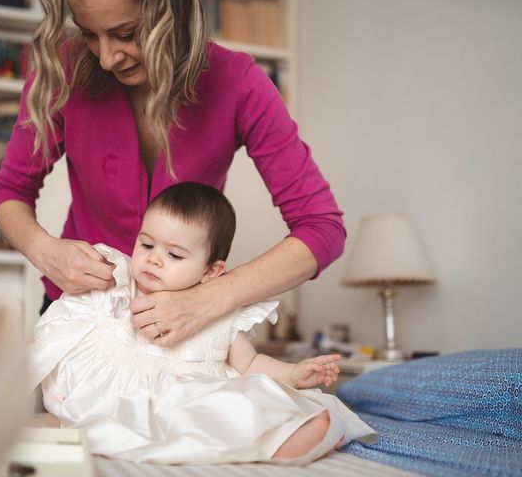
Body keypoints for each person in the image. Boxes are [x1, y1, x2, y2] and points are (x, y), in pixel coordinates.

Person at [0, 0, 346, 347]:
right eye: (90, 35)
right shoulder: (62, 70)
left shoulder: (239, 82)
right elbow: (9, 192)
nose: (108, 58)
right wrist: (45, 251)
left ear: (174, 10)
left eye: (127, 33)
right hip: (76, 318)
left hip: (180, 327)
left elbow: (322, 227)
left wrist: (209, 299)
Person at [28, 182, 376, 465]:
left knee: (239, 402)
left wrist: (292, 374)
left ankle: (275, 439)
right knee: (88, 412)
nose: (153, 259)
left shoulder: (219, 311)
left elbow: (250, 365)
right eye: (146, 243)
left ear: (211, 272)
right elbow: (69, 330)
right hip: (109, 394)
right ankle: (58, 422)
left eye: (174, 255)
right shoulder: (119, 287)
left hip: (180, 401)